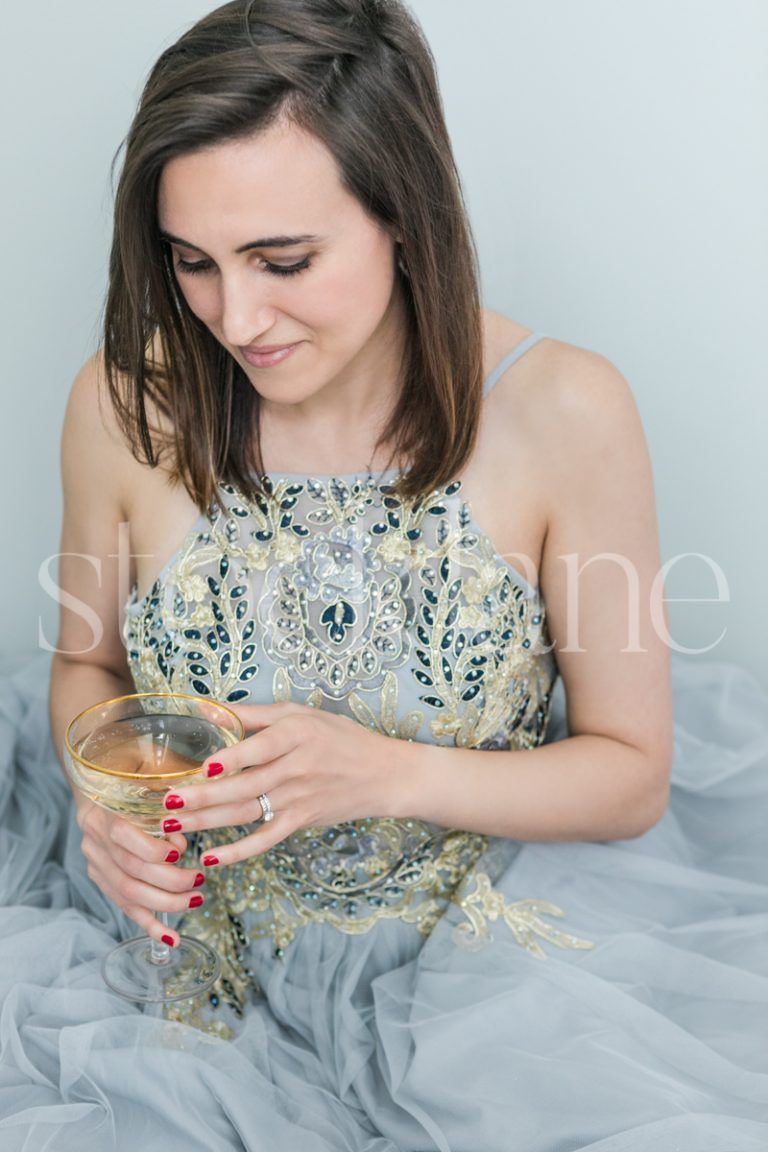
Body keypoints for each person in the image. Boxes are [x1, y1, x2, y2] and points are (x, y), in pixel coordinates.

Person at [0, 2, 765, 1149]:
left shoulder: (565, 409)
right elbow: (87, 666)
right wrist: (104, 805)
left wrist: (382, 772)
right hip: (180, 973)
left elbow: (629, 776)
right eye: (193, 264)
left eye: (284, 260)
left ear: (403, 216)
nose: (236, 318)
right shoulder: (124, 404)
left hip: (486, 976)